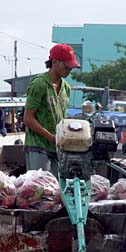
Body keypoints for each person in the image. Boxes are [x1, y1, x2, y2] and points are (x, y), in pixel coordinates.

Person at [23, 44, 80, 176]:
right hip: (38, 146)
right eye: (67, 67)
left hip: (56, 147)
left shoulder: (66, 88)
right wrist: (51, 137)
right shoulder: (39, 84)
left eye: (71, 68)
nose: (69, 71)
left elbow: (62, 118)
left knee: (56, 189)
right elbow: (28, 119)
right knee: (40, 188)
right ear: (54, 62)